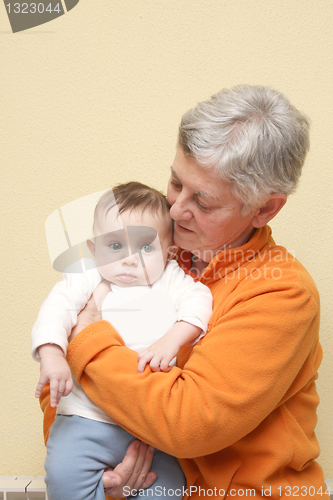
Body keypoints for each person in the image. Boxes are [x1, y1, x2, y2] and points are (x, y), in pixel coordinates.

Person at [40, 84, 330, 500]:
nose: (175, 209)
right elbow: (62, 387)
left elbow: (187, 423)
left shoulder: (282, 292)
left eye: (204, 203)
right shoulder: (147, 251)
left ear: (264, 209)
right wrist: (106, 472)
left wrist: (86, 336)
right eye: (176, 182)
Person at [32, 182, 213, 500]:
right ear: (93, 248)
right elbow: (56, 308)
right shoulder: (87, 276)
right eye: (115, 246)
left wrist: (173, 339)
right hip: (84, 420)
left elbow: (199, 302)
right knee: (63, 478)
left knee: (169, 488)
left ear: (169, 251)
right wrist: (51, 355)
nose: (130, 260)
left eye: (146, 247)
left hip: (151, 424)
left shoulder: (171, 277)